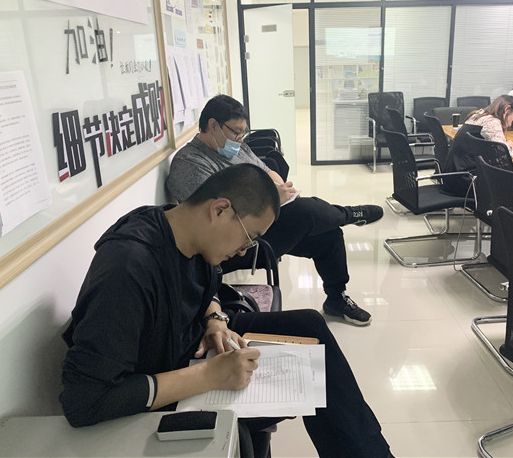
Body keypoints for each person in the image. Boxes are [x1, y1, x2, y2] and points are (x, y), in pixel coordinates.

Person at [60, 164, 394, 458]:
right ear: (220, 209)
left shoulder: (184, 231)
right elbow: (86, 401)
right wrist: (209, 375)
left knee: (310, 329)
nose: (244, 251)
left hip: (196, 345)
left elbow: (207, 287)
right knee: (316, 380)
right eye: (250, 237)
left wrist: (215, 318)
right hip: (164, 386)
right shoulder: (127, 269)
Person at [167, 94, 383, 327]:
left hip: (263, 225)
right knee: (305, 212)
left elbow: (266, 170)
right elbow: (220, 217)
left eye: (242, 133)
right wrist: (272, 198)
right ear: (213, 125)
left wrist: (282, 190)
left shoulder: (237, 148)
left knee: (328, 233)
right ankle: (348, 214)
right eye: (236, 132)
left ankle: (336, 299)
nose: (239, 139)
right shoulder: (189, 163)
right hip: (236, 243)